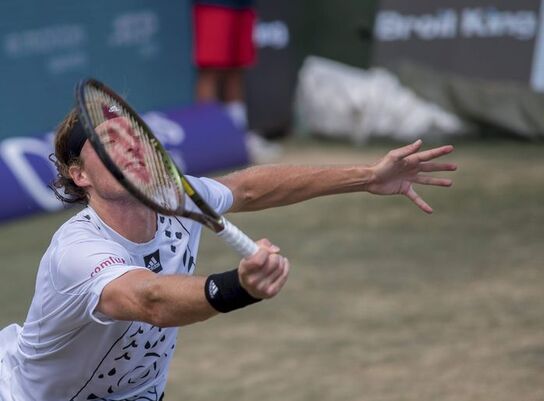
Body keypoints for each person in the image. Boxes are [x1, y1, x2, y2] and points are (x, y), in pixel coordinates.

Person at [0, 105, 457, 400]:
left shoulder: (175, 197)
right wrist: (238, 287)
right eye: (108, 141)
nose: (130, 145)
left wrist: (367, 177)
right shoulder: (77, 250)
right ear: (79, 175)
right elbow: (149, 300)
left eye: (133, 134)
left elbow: (249, 188)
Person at [192, 0, 281, 162]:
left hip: (243, 5)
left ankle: (239, 136)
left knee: (237, 69)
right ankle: (210, 140)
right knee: (211, 70)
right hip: (213, 4)